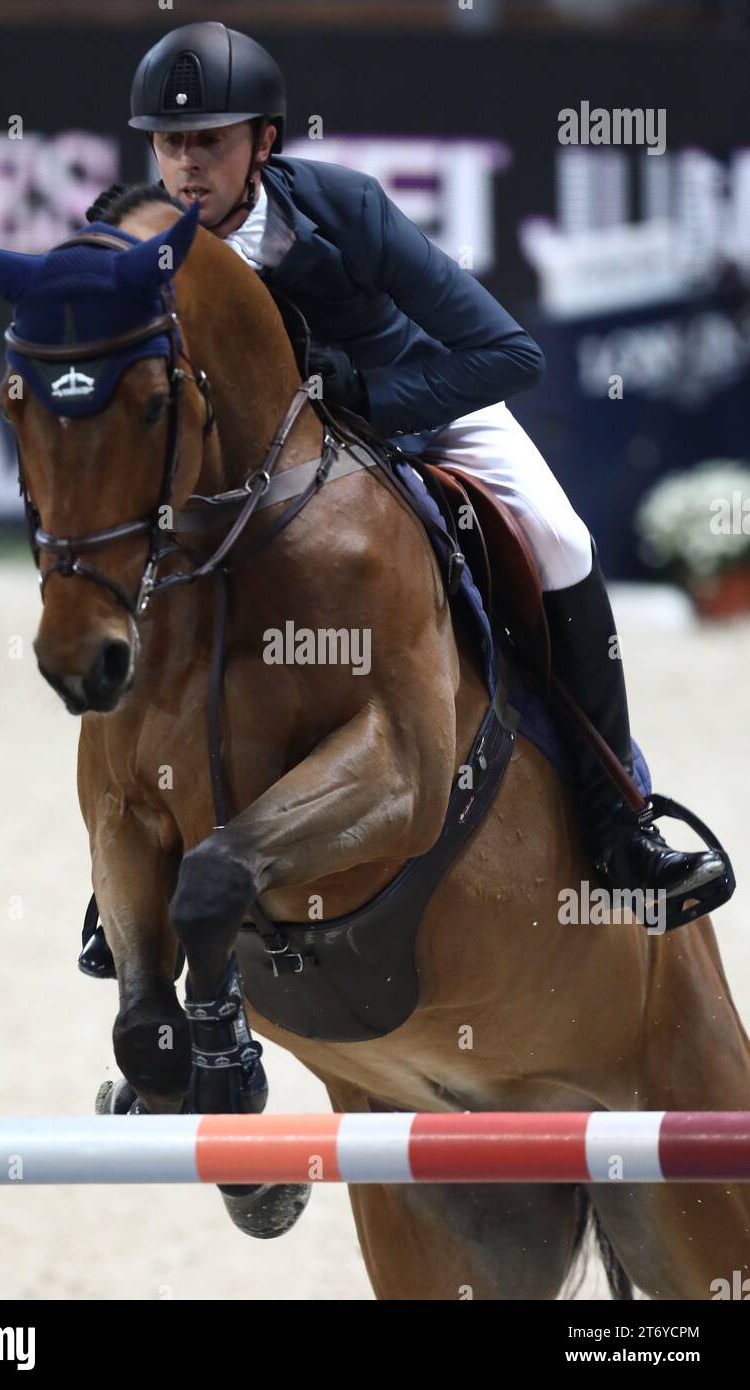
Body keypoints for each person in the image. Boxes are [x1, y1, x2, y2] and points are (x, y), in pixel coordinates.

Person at [78, 21, 728, 976]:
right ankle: (121, 874)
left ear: (264, 143)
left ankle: (619, 817)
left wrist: (366, 392)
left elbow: (511, 353)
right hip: (255, 463)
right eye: (169, 144)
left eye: (209, 142)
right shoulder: (137, 237)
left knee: (560, 537)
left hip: (417, 407)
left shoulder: (342, 209)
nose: (185, 167)